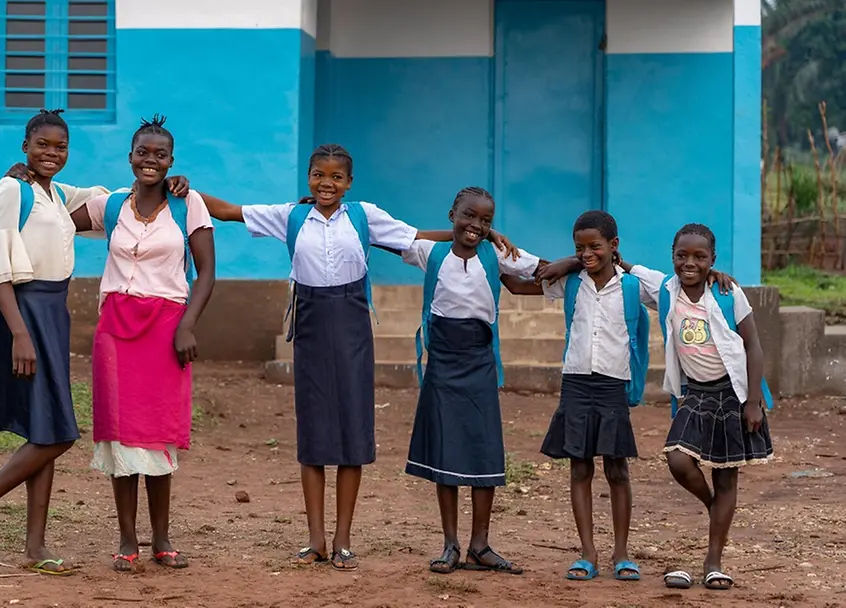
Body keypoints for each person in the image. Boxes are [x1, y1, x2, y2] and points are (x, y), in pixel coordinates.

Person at [197, 144, 517, 571]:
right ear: (308, 177)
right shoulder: (291, 216)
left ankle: (343, 539)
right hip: (310, 329)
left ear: (349, 183)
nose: (326, 184)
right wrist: (181, 189)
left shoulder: (364, 216)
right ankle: (315, 541)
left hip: (352, 328)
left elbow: (416, 236)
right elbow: (228, 211)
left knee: (352, 432)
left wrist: (479, 235)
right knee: (313, 435)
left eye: (336, 177)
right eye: (318, 175)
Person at [501, 211, 734, 583]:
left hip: (613, 386)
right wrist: (490, 248)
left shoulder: (634, 286)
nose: (587, 254)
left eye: (594, 247)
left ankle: (622, 554)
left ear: (614, 246)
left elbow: (679, 286)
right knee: (579, 468)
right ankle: (587, 554)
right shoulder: (571, 282)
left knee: (617, 470)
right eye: (579, 248)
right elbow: (518, 284)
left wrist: (716, 277)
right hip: (576, 383)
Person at [0, 109, 111, 575]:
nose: (52, 153)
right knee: (59, 434)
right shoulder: (11, 190)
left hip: (54, 311)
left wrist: (169, 186)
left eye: (61, 147)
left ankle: (35, 547)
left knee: (44, 427)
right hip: (26, 312)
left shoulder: (55, 193)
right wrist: (18, 335)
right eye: (43, 145)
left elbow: (103, 201)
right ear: (24, 147)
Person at [61, 115, 216, 572]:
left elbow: (206, 272)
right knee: (121, 437)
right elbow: (53, 219)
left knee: (158, 434)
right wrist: (26, 179)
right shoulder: (109, 206)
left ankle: (162, 539)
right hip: (116, 328)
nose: (151, 160)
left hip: (166, 326)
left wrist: (187, 326)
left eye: (160, 155)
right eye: (143, 153)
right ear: (130, 157)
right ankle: (127, 538)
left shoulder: (190, 206)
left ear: (171, 161)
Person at [618, 223, 773, 591]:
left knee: (726, 474)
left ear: (713, 260)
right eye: (682, 256)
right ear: (672, 257)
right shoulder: (665, 290)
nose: (690, 263)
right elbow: (622, 264)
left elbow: (753, 346)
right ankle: (713, 505)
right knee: (678, 459)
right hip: (695, 395)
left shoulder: (727, 291)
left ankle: (713, 561)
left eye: (700, 257)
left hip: (733, 394)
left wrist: (753, 401)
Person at [398, 186, 542, 575]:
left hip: (479, 361)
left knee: (482, 448)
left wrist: (591, 261)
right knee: (444, 452)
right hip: (442, 363)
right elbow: (388, 236)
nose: (476, 225)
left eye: (486, 221)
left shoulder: (496, 256)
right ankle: (451, 545)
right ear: (452, 214)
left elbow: (540, 269)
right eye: (468, 216)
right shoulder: (432, 253)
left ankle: (480, 544)